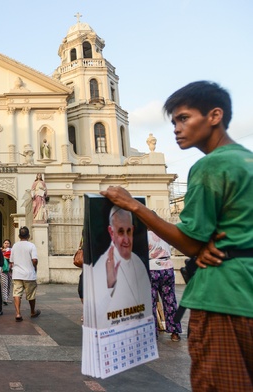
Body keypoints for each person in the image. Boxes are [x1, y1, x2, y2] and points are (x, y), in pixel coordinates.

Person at [101, 81, 253, 391]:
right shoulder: (245, 161)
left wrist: (133, 206)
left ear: (214, 115)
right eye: (174, 122)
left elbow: (189, 242)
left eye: (184, 118)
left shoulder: (212, 165)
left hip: (225, 297)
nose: (176, 128)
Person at [91, 206, 152, 328]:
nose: (126, 240)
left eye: (128, 231)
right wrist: (110, 286)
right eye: (120, 231)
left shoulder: (138, 263)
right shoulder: (100, 267)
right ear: (111, 232)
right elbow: (94, 314)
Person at [148, 229, 182, 342]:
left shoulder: (146, 235)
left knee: (151, 303)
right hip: (167, 267)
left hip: (152, 268)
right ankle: (175, 333)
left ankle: (152, 334)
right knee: (170, 301)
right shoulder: (164, 232)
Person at [10, 227, 40, 321]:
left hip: (17, 273)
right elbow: (34, 260)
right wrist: (35, 266)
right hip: (29, 274)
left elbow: (11, 261)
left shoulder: (15, 246)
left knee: (17, 293)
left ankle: (18, 313)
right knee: (31, 295)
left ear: (19, 236)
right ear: (29, 236)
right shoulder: (31, 246)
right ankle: (32, 311)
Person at [1, 239, 12, 306]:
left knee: (9, 284)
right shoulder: (0, 251)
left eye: (8, 243)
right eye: (5, 243)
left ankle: (7, 298)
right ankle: (4, 299)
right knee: (4, 285)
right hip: (3, 270)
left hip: (10, 270)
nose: (6, 244)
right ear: (3, 244)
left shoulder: (11, 250)